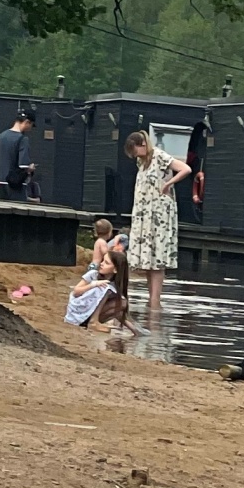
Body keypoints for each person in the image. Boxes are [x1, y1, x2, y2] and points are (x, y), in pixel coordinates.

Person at [123, 127, 187, 316]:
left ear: (142, 144)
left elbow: (185, 169)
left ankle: (155, 302)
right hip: (145, 213)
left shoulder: (159, 156)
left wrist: (168, 183)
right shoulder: (141, 162)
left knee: (157, 257)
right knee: (148, 258)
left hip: (158, 214)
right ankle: (151, 300)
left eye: (135, 150)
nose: (134, 154)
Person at [65, 222, 135, 338]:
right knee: (105, 288)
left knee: (122, 302)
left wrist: (133, 329)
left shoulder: (114, 282)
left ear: (116, 270)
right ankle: (93, 321)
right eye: (103, 261)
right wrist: (94, 284)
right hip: (77, 310)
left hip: (87, 312)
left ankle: (92, 321)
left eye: (106, 263)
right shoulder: (94, 274)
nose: (101, 264)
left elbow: (118, 310)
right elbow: (76, 291)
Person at [0, 105, 37, 201]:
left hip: (1, 181)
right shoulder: (23, 139)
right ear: (27, 122)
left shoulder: (1, 136)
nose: (30, 129)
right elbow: (23, 165)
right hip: (16, 184)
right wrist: (30, 168)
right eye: (31, 125)